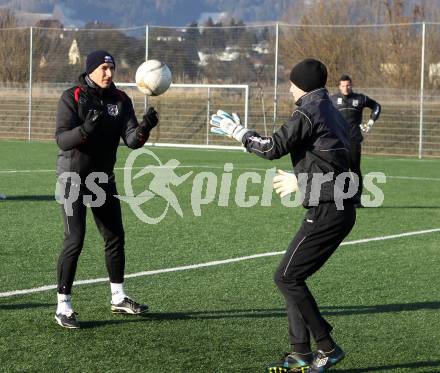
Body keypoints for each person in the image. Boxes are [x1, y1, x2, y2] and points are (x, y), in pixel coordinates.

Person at [210, 59, 356, 372]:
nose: (289, 88)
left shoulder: (308, 110)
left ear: (302, 84)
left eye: (291, 82)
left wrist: (238, 132)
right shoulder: (332, 111)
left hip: (329, 209)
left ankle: (326, 348)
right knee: (291, 277)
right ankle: (301, 352)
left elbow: (272, 147)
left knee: (287, 277)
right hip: (333, 208)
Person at [54, 50, 159, 329]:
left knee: (115, 237)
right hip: (72, 180)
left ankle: (118, 297)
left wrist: (145, 128)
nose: (108, 73)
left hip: (102, 179)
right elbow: (62, 140)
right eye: (103, 68)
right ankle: (63, 306)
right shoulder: (73, 96)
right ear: (90, 70)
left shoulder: (120, 99)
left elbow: (132, 140)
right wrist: (85, 129)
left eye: (111, 68)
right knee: (75, 239)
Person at [330, 75, 381, 207]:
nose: (345, 88)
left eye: (348, 85)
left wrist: (370, 122)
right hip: (338, 141)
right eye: (343, 85)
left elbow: (376, 106)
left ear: (351, 85)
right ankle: (344, 197)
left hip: (353, 139)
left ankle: (357, 199)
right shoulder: (332, 100)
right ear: (339, 86)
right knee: (340, 169)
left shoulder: (360, 99)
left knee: (354, 168)